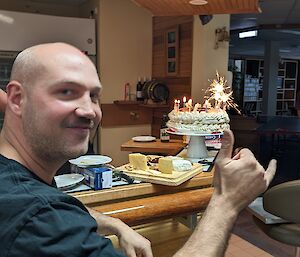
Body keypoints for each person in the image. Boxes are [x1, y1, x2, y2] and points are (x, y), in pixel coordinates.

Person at [0, 42, 276, 257]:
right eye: (66, 92)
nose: (89, 111)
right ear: (16, 99)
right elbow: (46, 213)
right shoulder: (41, 220)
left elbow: (57, 203)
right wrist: (226, 202)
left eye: (94, 95)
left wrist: (116, 225)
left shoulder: (22, 189)